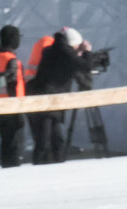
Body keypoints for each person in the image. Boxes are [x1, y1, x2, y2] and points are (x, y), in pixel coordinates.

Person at [29, 27, 89, 164]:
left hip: (49, 101)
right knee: (45, 142)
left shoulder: (53, 50)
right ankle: (41, 168)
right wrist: (87, 53)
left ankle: (55, 167)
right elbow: (85, 65)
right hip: (48, 103)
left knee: (56, 140)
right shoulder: (63, 53)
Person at [0, 25, 28, 168]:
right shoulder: (12, 61)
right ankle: (14, 170)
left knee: (5, 142)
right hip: (13, 108)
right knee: (16, 145)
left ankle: (6, 168)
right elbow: (14, 86)